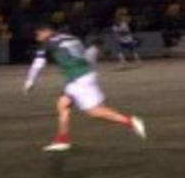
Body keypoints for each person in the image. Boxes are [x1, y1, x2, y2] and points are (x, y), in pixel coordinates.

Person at [24, 22, 146, 152]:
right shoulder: (71, 37)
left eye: (37, 35)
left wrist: (30, 81)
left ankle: (130, 121)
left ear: (44, 32)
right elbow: (84, 55)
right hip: (85, 75)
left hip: (78, 80)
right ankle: (62, 140)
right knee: (62, 104)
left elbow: (38, 64)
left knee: (94, 111)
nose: (37, 38)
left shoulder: (47, 42)